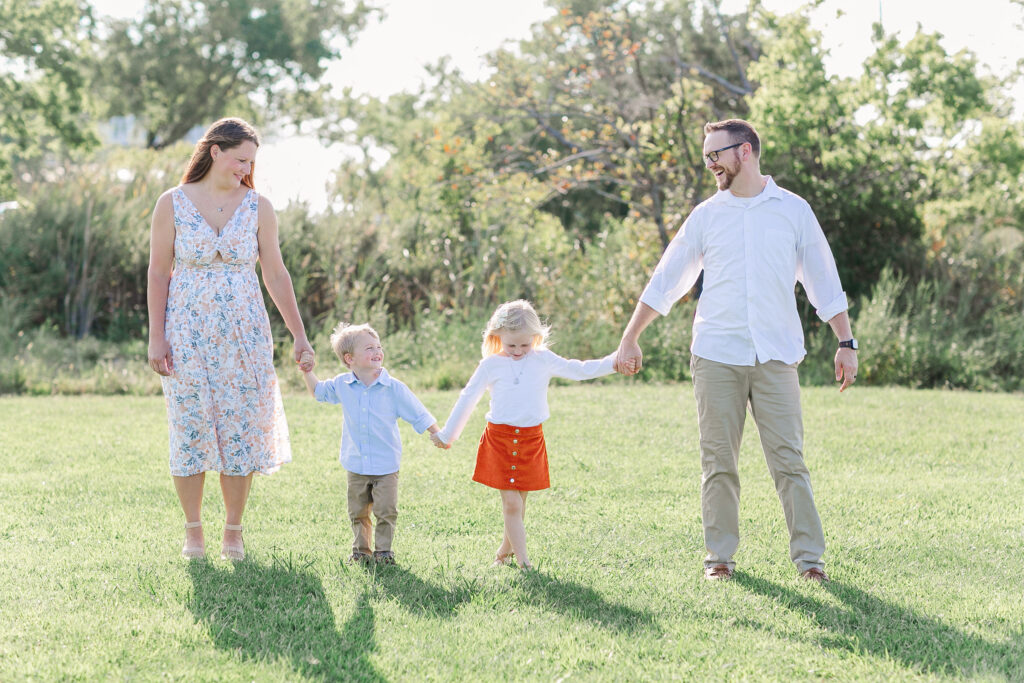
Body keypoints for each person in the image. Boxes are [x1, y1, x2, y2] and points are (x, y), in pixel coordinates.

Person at [614, 119, 858, 583]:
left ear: (744, 151)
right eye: (707, 157)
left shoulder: (793, 210)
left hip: (776, 356)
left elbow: (823, 280)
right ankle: (719, 559)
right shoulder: (706, 215)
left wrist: (845, 342)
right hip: (716, 355)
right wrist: (631, 336)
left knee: (790, 462)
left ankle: (811, 562)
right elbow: (667, 279)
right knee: (718, 463)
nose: (710, 166)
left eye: (715, 156)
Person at [147, 117, 315, 561]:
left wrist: (299, 335)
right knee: (190, 429)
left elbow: (275, 274)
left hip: (246, 334)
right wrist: (156, 336)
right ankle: (193, 532)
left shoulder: (258, 206)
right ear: (215, 151)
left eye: (252, 162)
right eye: (240, 159)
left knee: (240, 430)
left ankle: (233, 532)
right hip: (186, 333)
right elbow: (158, 273)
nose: (246, 168)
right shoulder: (172, 203)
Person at [434, 300, 628, 569]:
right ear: (497, 336)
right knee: (511, 504)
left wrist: (613, 362)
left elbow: (578, 369)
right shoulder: (491, 364)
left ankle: (504, 553)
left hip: (530, 439)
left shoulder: (543, 359)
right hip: (499, 439)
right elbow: (469, 398)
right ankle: (525, 563)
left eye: (524, 345)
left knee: (519, 504)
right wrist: (448, 434)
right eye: (510, 345)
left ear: (535, 338)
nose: (517, 351)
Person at [299, 323, 442, 565]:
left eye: (378, 346)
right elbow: (318, 392)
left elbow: (418, 412)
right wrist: (307, 371)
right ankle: (361, 551)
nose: (377, 351)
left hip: (386, 465)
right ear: (349, 359)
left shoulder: (393, 388)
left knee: (386, 511)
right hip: (356, 464)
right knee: (358, 512)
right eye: (369, 348)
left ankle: (384, 552)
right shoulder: (342, 385)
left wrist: (436, 433)